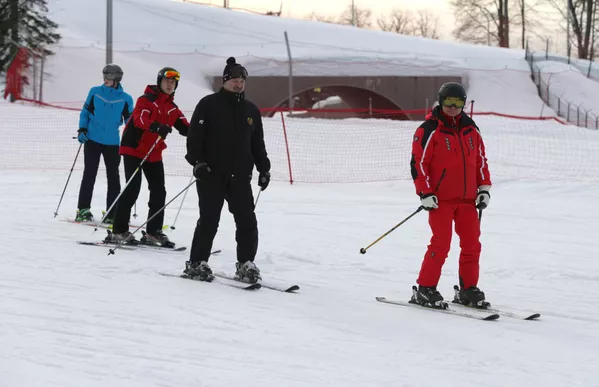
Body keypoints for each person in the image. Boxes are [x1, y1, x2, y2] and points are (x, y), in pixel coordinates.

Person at [184, 57, 271, 283]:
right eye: (233, 79)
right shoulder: (208, 104)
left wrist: (264, 169)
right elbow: (195, 137)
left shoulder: (251, 110)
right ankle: (197, 263)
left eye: (241, 80)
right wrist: (198, 162)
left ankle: (246, 264)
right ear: (224, 81)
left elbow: (257, 144)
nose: (238, 83)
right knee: (209, 220)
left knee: (247, 221)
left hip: (240, 176)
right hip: (211, 174)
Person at [409, 82, 492, 308]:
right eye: (448, 102)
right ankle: (425, 289)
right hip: (440, 201)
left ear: (464, 103)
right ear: (441, 101)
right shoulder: (428, 130)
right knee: (441, 244)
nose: (453, 107)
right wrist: (425, 192)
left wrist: (483, 188)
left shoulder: (471, 129)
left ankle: (468, 290)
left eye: (458, 103)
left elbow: (480, 161)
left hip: (467, 201)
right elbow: (419, 164)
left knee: (472, 245)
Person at [105, 67, 189, 247]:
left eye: (173, 82)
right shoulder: (146, 100)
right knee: (132, 188)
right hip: (134, 149)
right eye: (167, 81)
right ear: (160, 81)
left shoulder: (172, 108)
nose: (170, 84)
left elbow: (185, 127)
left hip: (153, 152)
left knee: (159, 191)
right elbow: (139, 119)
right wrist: (157, 126)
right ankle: (118, 230)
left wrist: (204, 132)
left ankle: (153, 232)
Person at [75, 64, 133, 223]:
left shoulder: (125, 98)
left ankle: (112, 212)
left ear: (117, 79)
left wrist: (134, 137)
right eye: (105, 76)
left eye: (109, 77)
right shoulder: (95, 92)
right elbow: (85, 113)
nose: (106, 79)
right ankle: (83, 210)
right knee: (89, 174)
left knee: (113, 178)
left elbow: (130, 123)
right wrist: (82, 129)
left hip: (112, 143)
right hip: (92, 139)